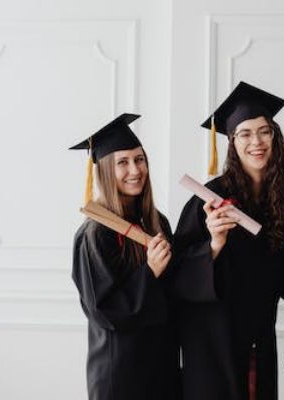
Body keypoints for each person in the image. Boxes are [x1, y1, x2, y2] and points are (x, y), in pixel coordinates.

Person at [173, 82, 284, 400]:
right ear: (232, 142)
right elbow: (176, 273)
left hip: (257, 338)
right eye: (245, 133)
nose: (256, 142)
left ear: (275, 138)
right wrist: (214, 243)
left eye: (264, 132)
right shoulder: (209, 199)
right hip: (211, 341)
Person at [69, 113, 180, 400]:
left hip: (162, 365)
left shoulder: (158, 223)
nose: (135, 169)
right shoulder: (94, 234)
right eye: (123, 162)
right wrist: (150, 272)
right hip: (120, 373)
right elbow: (103, 310)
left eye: (139, 159)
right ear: (106, 170)